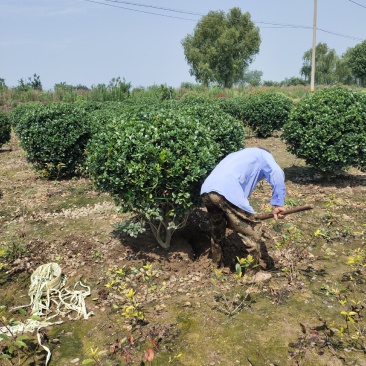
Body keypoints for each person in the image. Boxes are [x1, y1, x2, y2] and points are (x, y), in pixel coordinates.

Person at [200, 147, 287, 269]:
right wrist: (278, 204)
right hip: (226, 190)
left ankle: (216, 266)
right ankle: (254, 271)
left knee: (217, 230)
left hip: (207, 191)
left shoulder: (238, 155)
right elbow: (276, 173)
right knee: (253, 229)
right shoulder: (264, 155)